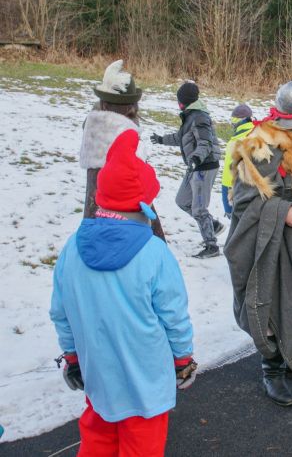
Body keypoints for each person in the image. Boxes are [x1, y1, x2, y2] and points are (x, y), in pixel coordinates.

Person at [50, 129, 196, 456]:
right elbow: (174, 317)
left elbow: (61, 313)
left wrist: (73, 357)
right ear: (144, 203)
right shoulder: (155, 254)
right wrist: (183, 359)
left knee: (97, 442)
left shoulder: (72, 249)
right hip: (146, 383)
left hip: (98, 376)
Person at [224, 80, 292, 407]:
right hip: (270, 243)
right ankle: (272, 371)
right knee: (271, 303)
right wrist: (283, 212)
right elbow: (242, 203)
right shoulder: (259, 146)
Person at [79, 59, 165, 240]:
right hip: (129, 213)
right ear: (131, 106)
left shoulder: (94, 123)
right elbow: (143, 186)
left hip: (97, 212)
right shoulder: (126, 133)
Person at [150, 81, 223, 258]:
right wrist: (161, 139)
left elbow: (205, 142)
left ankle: (211, 246)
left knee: (199, 209)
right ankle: (212, 225)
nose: (178, 103)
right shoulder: (189, 116)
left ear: (185, 101)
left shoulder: (199, 117)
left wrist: (196, 158)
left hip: (204, 167)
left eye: (179, 100)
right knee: (182, 200)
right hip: (194, 166)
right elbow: (180, 138)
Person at [221, 104, 254, 219]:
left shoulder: (236, 142)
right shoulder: (258, 134)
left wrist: (226, 204)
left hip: (238, 192)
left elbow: (228, 175)